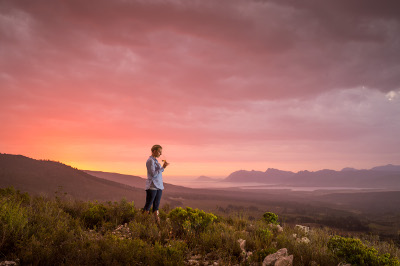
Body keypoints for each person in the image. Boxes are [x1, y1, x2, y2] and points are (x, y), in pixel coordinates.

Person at [143, 144, 169, 223]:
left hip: (159, 186)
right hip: (152, 186)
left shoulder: (155, 160)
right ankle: (143, 223)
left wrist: (162, 168)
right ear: (154, 151)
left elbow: (158, 173)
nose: (160, 154)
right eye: (159, 152)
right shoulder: (150, 161)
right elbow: (153, 174)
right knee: (148, 206)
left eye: (161, 152)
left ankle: (157, 224)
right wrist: (163, 168)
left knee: (156, 207)